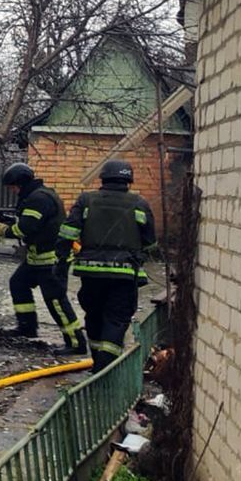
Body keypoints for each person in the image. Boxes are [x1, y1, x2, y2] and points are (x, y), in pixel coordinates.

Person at [57, 159, 159, 372]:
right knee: (116, 319)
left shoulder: (86, 200)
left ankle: (98, 363)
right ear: (128, 180)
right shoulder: (139, 203)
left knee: (94, 315)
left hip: (91, 273)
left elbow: (68, 233)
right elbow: (151, 243)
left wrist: (62, 259)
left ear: (102, 178)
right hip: (124, 275)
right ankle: (105, 370)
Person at [0, 162, 85, 355]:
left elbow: (25, 228)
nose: (12, 191)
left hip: (51, 260)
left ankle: (76, 343)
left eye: (13, 187)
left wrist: (3, 229)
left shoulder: (38, 199)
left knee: (56, 301)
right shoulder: (37, 195)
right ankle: (27, 327)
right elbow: (32, 222)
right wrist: (8, 221)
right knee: (18, 283)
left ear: (21, 183)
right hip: (38, 258)